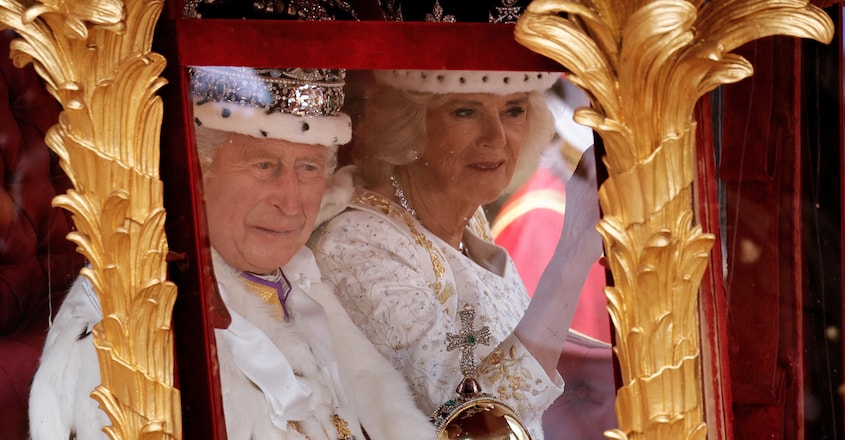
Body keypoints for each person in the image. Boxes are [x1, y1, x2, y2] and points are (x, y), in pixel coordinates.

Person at [28, 66, 435, 440]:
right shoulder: (130, 312)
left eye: (308, 168)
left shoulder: (302, 284)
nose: (291, 202)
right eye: (263, 164)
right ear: (198, 172)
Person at [309, 69, 604, 439]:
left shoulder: (465, 215)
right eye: (466, 112)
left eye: (513, 110)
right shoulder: (354, 245)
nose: (496, 138)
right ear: (411, 124)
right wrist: (573, 252)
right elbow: (473, 425)